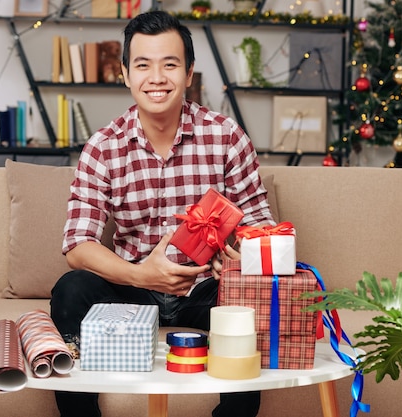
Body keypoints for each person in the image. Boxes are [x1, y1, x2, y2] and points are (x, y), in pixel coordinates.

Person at [50, 10, 275, 417]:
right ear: (125, 74)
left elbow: (260, 225)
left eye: (170, 64)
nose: (157, 78)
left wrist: (241, 256)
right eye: (143, 65)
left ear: (189, 73)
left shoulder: (227, 138)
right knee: (71, 288)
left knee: (254, 303)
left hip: (208, 290)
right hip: (132, 291)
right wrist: (141, 275)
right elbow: (77, 246)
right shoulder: (103, 147)